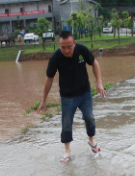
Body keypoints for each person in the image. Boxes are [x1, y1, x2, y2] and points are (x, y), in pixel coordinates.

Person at [37, 31, 107, 163]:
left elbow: (95, 64)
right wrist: (43, 100)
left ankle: (91, 140)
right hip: (67, 96)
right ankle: (67, 151)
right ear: (59, 45)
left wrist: (99, 83)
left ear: (74, 43)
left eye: (69, 46)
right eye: (63, 47)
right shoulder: (56, 57)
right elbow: (49, 79)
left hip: (85, 92)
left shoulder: (81, 50)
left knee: (89, 117)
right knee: (67, 122)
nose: (66, 50)